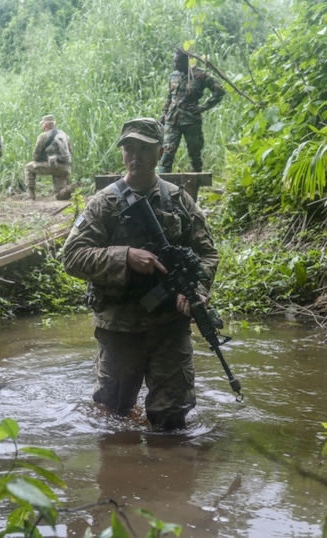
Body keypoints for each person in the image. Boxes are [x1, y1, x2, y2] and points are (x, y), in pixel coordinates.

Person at [62, 117, 219, 430]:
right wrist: (124, 256)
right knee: (111, 416)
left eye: (144, 149)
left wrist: (197, 290)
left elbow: (207, 253)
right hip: (119, 328)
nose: (135, 155)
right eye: (129, 148)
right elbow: (72, 257)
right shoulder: (103, 203)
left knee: (172, 419)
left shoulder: (179, 201)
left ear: (160, 153)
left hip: (169, 328)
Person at [158, 49, 225, 173]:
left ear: (186, 61)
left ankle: (195, 184)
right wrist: (163, 114)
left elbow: (220, 91)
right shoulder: (174, 76)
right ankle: (160, 185)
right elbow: (170, 96)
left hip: (191, 120)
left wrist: (204, 107)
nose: (175, 65)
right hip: (172, 120)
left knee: (195, 154)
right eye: (174, 62)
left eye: (178, 62)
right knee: (166, 153)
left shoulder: (201, 75)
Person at [24, 114, 74, 201]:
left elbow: (36, 156)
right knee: (59, 195)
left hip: (53, 166)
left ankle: (31, 195)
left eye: (42, 123)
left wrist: (43, 159)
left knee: (29, 167)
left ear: (45, 125)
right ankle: (71, 188)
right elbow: (70, 151)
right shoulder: (64, 134)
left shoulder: (43, 136)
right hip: (65, 168)